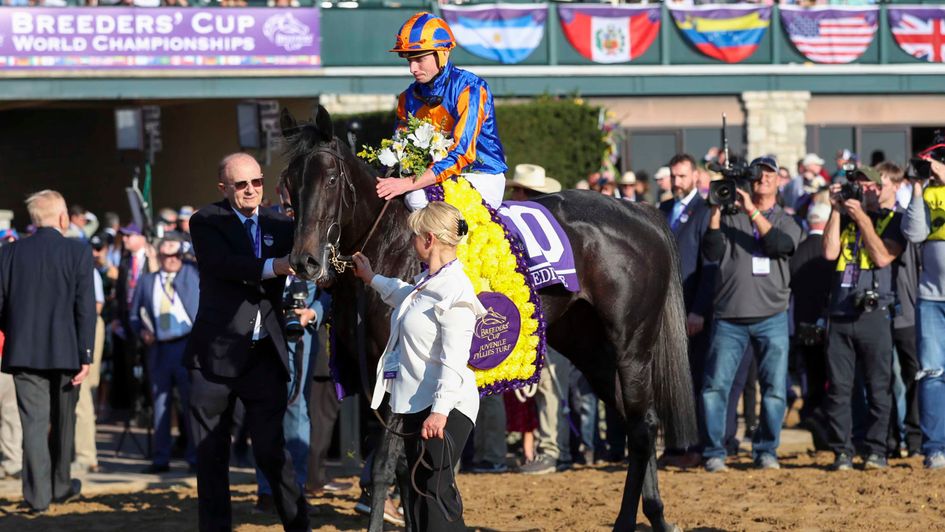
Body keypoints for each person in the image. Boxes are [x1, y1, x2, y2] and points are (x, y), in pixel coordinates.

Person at [185, 153, 309, 531]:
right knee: (211, 456)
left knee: (273, 451)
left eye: (256, 182)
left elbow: (312, 248)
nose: (251, 190)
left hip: (263, 357)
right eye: (241, 185)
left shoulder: (279, 223)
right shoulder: (206, 221)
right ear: (224, 188)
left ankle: (298, 524)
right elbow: (227, 265)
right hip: (214, 357)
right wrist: (279, 266)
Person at [351, 201, 487, 531]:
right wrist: (371, 278)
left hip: (445, 407)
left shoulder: (454, 291)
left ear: (428, 239)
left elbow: (454, 360)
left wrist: (439, 412)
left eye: (414, 236)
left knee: (433, 494)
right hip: (419, 404)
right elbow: (408, 297)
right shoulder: (431, 282)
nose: (411, 242)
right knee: (423, 493)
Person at [701, 156, 803, 472]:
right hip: (729, 316)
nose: (763, 179)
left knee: (773, 390)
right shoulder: (731, 215)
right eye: (759, 174)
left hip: (771, 315)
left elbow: (779, 245)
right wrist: (716, 214)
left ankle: (766, 450)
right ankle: (714, 452)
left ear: (778, 181)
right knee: (716, 387)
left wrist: (752, 211)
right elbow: (712, 252)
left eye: (770, 174)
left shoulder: (787, 220)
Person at [0, 190, 94, 513]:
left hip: (24, 351)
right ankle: (61, 485)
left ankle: (38, 496)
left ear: (34, 219)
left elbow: (1, 305)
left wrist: (15, 332)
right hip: (67, 351)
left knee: (34, 426)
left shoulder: (9, 253)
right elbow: (86, 309)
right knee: (64, 422)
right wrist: (87, 354)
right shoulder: (78, 251)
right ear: (64, 217)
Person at [376, 12, 507, 212]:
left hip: (480, 176)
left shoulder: (470, 89)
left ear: (442, 53)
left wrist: (408, 183)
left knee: (415, 197)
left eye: (419, 59)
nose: (412, 68)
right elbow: (397, 148)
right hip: (429, 177)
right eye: (408, 59)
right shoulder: (407, 97)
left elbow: (461, 154)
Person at [821, 167, 905, 471]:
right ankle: (842, 451)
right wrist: (834, 211)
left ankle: (875, 451)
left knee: (878, 388)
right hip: (841, 312)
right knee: (840, 389)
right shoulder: (842, 218)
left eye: (865, 185)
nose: (859, 190)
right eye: (854, 184)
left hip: (875, 313)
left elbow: (883, 257)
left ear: (877, 188)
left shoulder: (893, 221)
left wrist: (863, 219)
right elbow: (830, 253)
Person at [657, 153, 715, 469]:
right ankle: (675, 445)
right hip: (664, 310)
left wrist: (699, 310)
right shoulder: (664, 210)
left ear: (695, 176)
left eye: (682, 176)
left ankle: (696, 445)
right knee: (668, 379)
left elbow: (709, 268)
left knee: (693, 380)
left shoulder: (705, 213)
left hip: (691, 310)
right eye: (674, 176)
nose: (677, 182)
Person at [130, 237, 199, 474]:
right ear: (158, 257)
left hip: (187, 344)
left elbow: (197, 255)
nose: (172, 260)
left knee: (191, 402)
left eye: (176, 255)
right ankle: (161, 458)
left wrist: (184, 248)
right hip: (159, 348)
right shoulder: (147, 281)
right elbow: (133, 315)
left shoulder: (191, 274)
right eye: (166, 256)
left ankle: (194, 457)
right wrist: (142, 331)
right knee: (160, 404)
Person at [902, 140, 945, 470]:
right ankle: (935, 448)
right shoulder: (927, 193)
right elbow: (914, 234)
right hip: (931, 298)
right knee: (931, 374)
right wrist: (917, 190)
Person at [789, 203, 833, 430]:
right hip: (830, 325)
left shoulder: (798, 250)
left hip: (803, 325)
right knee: (830, 379)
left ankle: (812, 416)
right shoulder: (833, 250)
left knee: (812, 378)